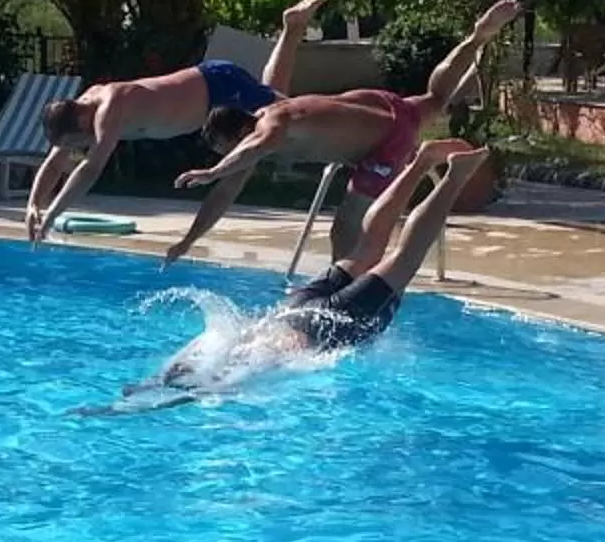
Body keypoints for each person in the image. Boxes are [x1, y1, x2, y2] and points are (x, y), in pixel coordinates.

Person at [164, 0, 520, 267]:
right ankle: (477, 36)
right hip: (380, 105)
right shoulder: (273, 105)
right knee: (437, 97)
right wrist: (187, 241)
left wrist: (212, 171)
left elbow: (252, 148)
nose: (228, 159)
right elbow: (222, 196)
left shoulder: (269, 126)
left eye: (226, 149)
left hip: (386, 144)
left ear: (241, 130)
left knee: (348, 226)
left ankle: (346, 294)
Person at [141, 145, 490, 398]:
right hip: (293, 308)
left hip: (325, 328)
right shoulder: (189, 358)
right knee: (367, 246)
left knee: (405, 258)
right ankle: (420, 163)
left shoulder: (219, 379)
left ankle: (455, 176)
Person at [24, 0, 328, 242]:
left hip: (218, 85)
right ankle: (292, 29)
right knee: (274, 98)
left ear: (80, 123)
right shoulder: (78, 112)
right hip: (210, 91)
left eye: (77, 143)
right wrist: (33, 203)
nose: (79, 148)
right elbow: (55, 159)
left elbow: (90, 170)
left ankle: (346, 111)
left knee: (292, 113)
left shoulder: (108, 108)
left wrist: (51, 217)